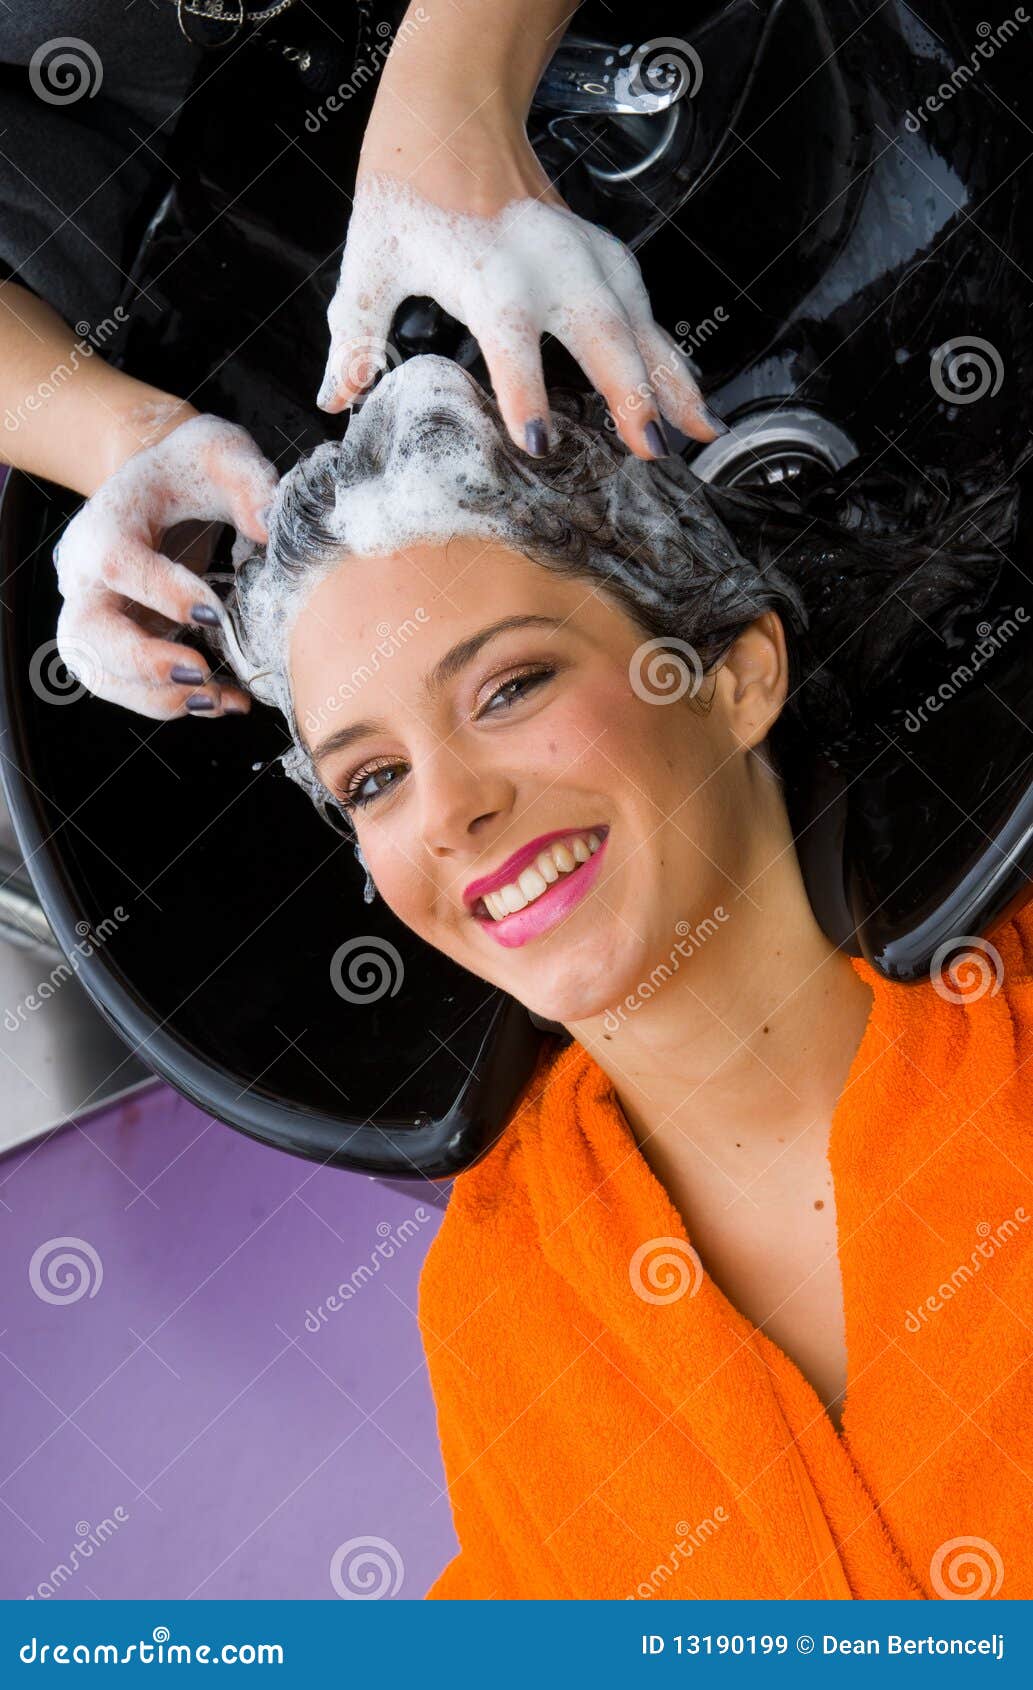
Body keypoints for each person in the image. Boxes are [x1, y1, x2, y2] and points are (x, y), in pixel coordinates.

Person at [201, 353, 1033, 1600]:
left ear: (735, 673)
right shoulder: (503, 1293)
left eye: (510, 685)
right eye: (371, 780)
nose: (452, 810)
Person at [0, 0, 721, 720]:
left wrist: (453, 90)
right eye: (372, 781)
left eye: (514, 689)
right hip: (213, 253)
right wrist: (126, 437)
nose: (444, 826)